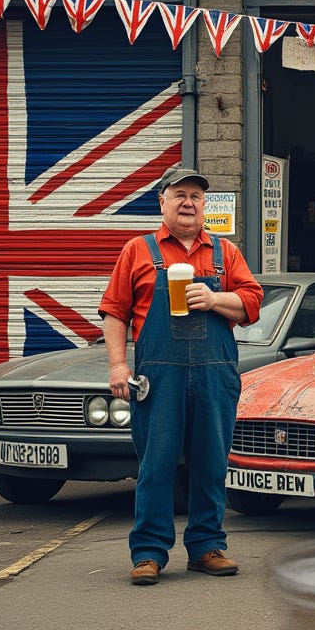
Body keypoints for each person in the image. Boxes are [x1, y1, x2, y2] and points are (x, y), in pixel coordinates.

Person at [100, 165, 263, 586]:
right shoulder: (138, 250)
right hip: (160, 377)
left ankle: (207, 546)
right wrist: (119, 365)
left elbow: (251, 304)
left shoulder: (225, 254)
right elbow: (115, 312)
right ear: (162, 202)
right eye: (179, 195)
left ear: (204, 204)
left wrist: (213, 298)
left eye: (196, 196)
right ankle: (149, 553)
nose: (188, 203)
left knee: (211, 463)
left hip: (214, 375)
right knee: (156, 466)